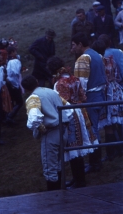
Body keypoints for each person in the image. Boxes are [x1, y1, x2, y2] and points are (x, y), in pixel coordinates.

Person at [47, 56, 97, 189]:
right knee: (77, 148)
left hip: (70, 115)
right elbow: (83, 97)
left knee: (72, 147)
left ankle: (80, 181)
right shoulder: (74, 78)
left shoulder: (59, 83)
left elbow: (61, 103)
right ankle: (77, 178)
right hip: (81, 112)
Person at [21, 75, 69, 191]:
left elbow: (33, 119)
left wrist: (41, 129)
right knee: (58, 163)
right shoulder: (51, 91)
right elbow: (67, 106)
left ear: (26, 89)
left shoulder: (33, 97)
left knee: (50, 168)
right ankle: (61, 190)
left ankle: (54, 196)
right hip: (63, 130)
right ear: (37, 82)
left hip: (51, 133)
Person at [71, 32, 107, 173]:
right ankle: (95, 161)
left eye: (74, 45)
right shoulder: (97, 55)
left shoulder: (83, 58)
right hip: (99, 96)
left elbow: (81, 84)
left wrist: (78, 99)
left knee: (92, 130)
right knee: (95, 128)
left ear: (80, 44)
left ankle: (95, 163)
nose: (72, 48)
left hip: (90, 98)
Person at [91, 40, 123, 160]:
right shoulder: (111, 60)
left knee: (108, 124)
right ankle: (118, 149)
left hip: (106, 92)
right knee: (116, 121)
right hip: (115, 89)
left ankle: (111, 152)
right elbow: (118, 76)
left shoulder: (99, 63)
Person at [6, 46, 23, 123]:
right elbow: (16, 71)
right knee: (19, 101)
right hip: (13, 82)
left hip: (10, 81)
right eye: (15, 51)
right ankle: (9, 116)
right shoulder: (14, 61)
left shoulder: (9, 61)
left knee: (13, 100)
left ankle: (10, 114)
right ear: (12, 52)